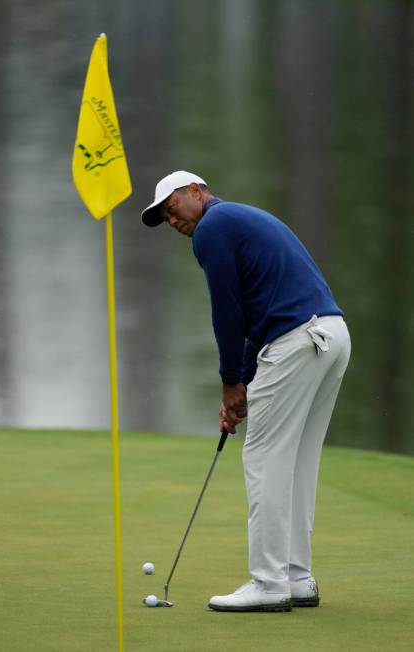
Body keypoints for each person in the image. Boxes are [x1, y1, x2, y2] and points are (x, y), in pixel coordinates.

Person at [141, 170, 351, 612]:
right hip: (330, 335)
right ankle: (296, 578)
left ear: (194, 191)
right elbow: (257, 308)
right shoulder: (239, 219)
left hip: (297, 339)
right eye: (163, 218)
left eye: (171, 208)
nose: (172, 221)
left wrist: (231, 383)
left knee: (264, 457)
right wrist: (244, 384)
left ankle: (268, 582)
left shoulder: (213, 228)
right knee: (295, 460)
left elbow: (227, 311)